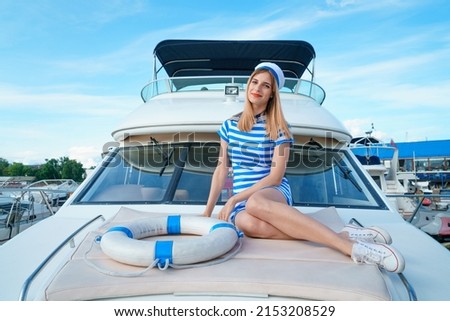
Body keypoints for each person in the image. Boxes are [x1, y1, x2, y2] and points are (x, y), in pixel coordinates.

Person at [203, 62, 405, 273]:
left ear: (272, 94)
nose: (257, 88)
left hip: (272, 192)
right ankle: (341, 235)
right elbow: (221, 170)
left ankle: (350, 248)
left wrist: (234, 198)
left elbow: (275, 176)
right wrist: (208, 212)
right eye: (254, 82)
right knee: (247, 224)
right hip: (244, 202)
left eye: (265, 85)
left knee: (255, 203)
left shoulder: (279, 128)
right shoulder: (228, 126)